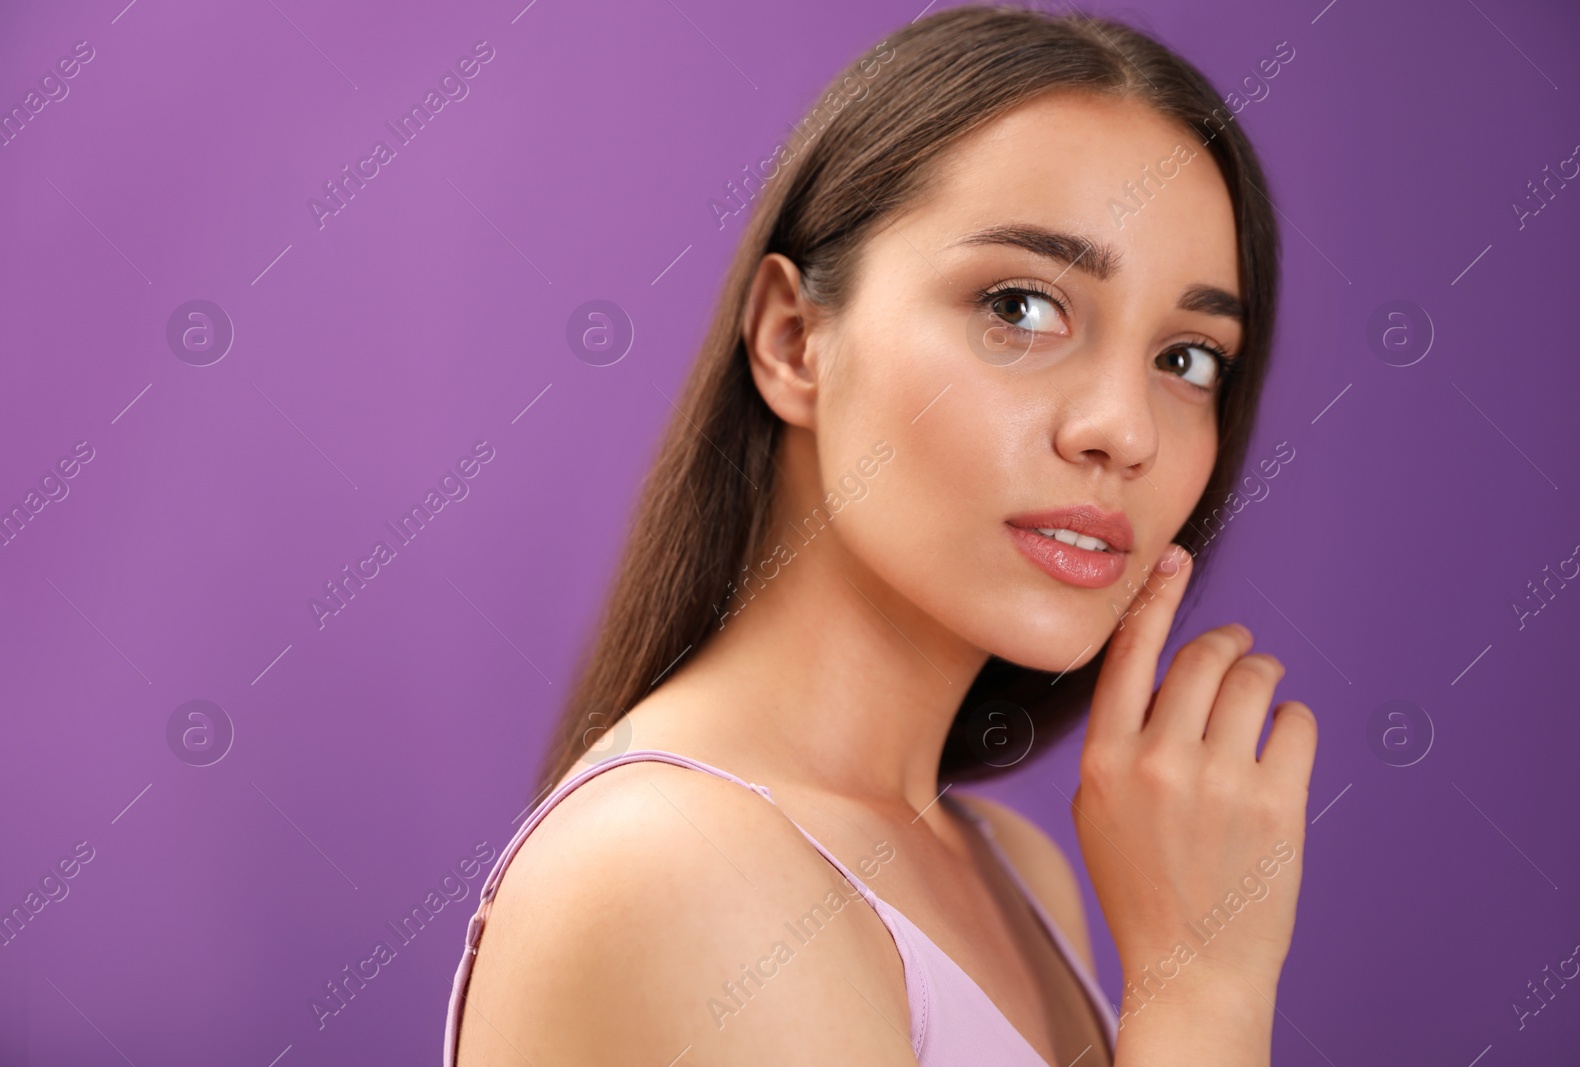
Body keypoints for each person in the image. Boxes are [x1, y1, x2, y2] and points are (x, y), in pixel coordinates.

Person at [447, 5, 1317, 1065]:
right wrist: (1202, 989)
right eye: (1021, 305)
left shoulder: (1011, 867)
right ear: (793, 341)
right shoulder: (674, 867)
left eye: (1187, 359)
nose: (1122, 431)